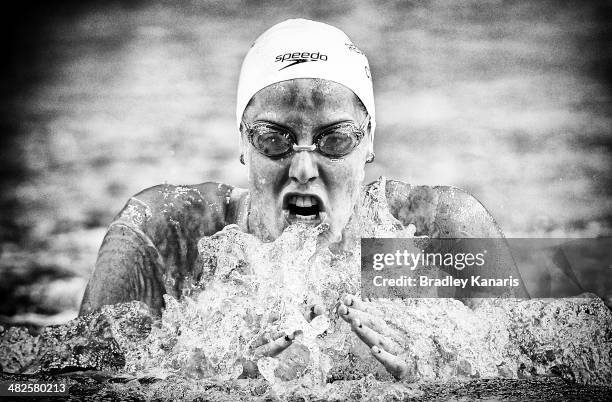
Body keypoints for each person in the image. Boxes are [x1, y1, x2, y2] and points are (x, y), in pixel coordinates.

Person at [80, 19, 528, 379]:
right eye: (274, 139)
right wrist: (195, 378)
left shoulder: (430, 236)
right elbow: (41, 386)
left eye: (334, 140)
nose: (302, 169)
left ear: (369, 141)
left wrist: (438, 373)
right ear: (242, 141)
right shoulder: (167, 236)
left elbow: (553, 375)